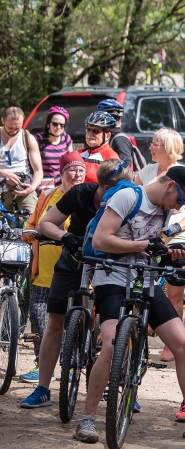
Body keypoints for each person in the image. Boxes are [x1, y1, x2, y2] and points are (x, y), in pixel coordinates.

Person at [71, 166, 185, 444]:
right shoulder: (127, 196)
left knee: (184, 345)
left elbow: (154, 243)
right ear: (169, 185)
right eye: (180, 198)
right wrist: (141, 246)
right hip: (112, 276)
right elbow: (102, 239)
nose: (180, 205)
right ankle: (87, 418)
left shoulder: (165, 208)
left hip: (145, 279)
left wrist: (169, 251)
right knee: (112, 345)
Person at [17, 159, 130, 409]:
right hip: (74, 257)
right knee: (55, 321)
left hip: (110, 264)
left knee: (116, 326)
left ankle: (122, 387)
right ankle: (43, 388)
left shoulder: (129, 199)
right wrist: (65, 236)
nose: (120, 194)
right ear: (102, 184)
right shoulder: (81, 194)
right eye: (114, 188)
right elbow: (46, 223)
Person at [17, 153, 86, 386]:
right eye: (72, 170)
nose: (76, 175)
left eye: (80, 170)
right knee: (39, 320)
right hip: (44, 271)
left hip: (74, 270)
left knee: (73, 322)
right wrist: (29, 234)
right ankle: (42, 364)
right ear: (62, 172)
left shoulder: (86, 197)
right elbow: (33, 224)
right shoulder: (47, 195)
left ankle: (71, 364)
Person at [138, 128, 185, 361]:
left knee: (174, 295)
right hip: (151, 238)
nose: (151, 147)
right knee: (145, 286)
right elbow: (135, 195)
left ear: (168, 148)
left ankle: (171, 343)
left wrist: (176, 228)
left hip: (178, 237)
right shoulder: (147, 170)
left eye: (156, 144)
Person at [0, 106, 43, 211]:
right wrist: (5, 174)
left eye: (17, 128)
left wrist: (32, 187)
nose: (14, 131)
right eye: (10, 128)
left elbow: (38, 170)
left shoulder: (27, 138)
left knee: (32, 221)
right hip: (1, 190)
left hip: (24, 188)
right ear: (3, 120)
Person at [33, 106, 73, 189]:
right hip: (42, 185)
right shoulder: (38, 139)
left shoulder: (66, 138)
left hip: (62, 186)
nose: (58, 127)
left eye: (62, 125)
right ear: (48, 124)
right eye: (55, 124)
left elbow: (71, 164)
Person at [78, 111, 120, 184]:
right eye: (88, 130)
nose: (90, 134)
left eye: (95, 131)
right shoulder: (78, 153)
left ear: (108, 135)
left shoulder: (112, 158)